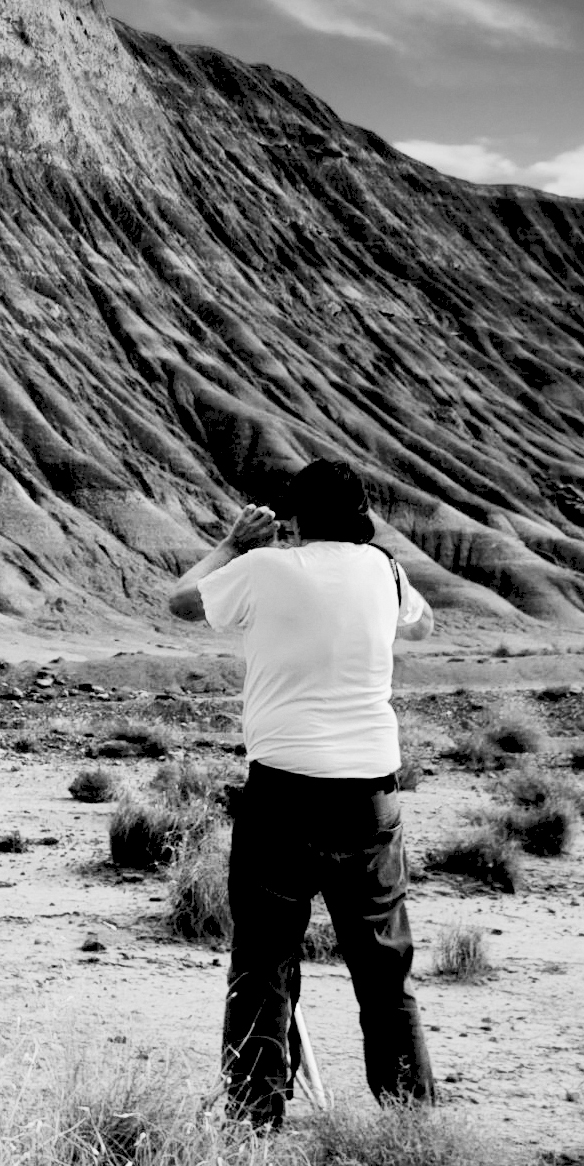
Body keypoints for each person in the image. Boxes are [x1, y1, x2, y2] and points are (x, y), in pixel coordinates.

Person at [165, 457, 437, 1120]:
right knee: (383, 970)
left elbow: (178, 600)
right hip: (369, 797)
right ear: (359, 520)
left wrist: (234, 543)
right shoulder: (385, 571)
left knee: (262, 965)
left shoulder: (262, 569)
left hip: (281, 796)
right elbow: (423, 624)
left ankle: (255, 1119)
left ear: (291, 517)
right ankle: (413, 1124)